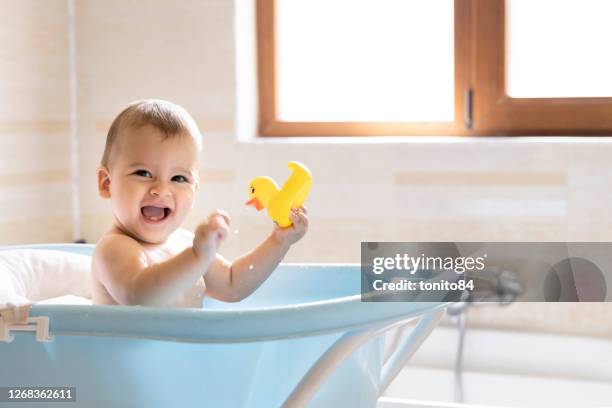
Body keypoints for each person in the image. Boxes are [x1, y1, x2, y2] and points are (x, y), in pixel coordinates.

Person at [91, 99, 308, 307]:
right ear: (106, 183)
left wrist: (280, 240)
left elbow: (233, 285)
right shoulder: (114, 249)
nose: (161, 190)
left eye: (178, 178)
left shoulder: (185, 243)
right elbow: (139, 294)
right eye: (143, 173)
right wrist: (197, 257)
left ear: (194, 189)